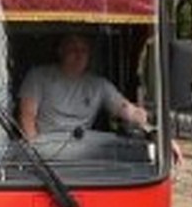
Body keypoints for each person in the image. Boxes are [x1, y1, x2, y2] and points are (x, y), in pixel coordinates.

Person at [18, 32, 148, 141]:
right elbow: (27, 117)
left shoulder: (99, 85)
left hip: (83, 150)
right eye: (73, 49)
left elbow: (122, 107)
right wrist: (35, 150)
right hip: (47, 149)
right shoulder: (38, 77)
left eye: (83, 50)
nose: (79, 55)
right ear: (61, 51)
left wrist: (138, 115)